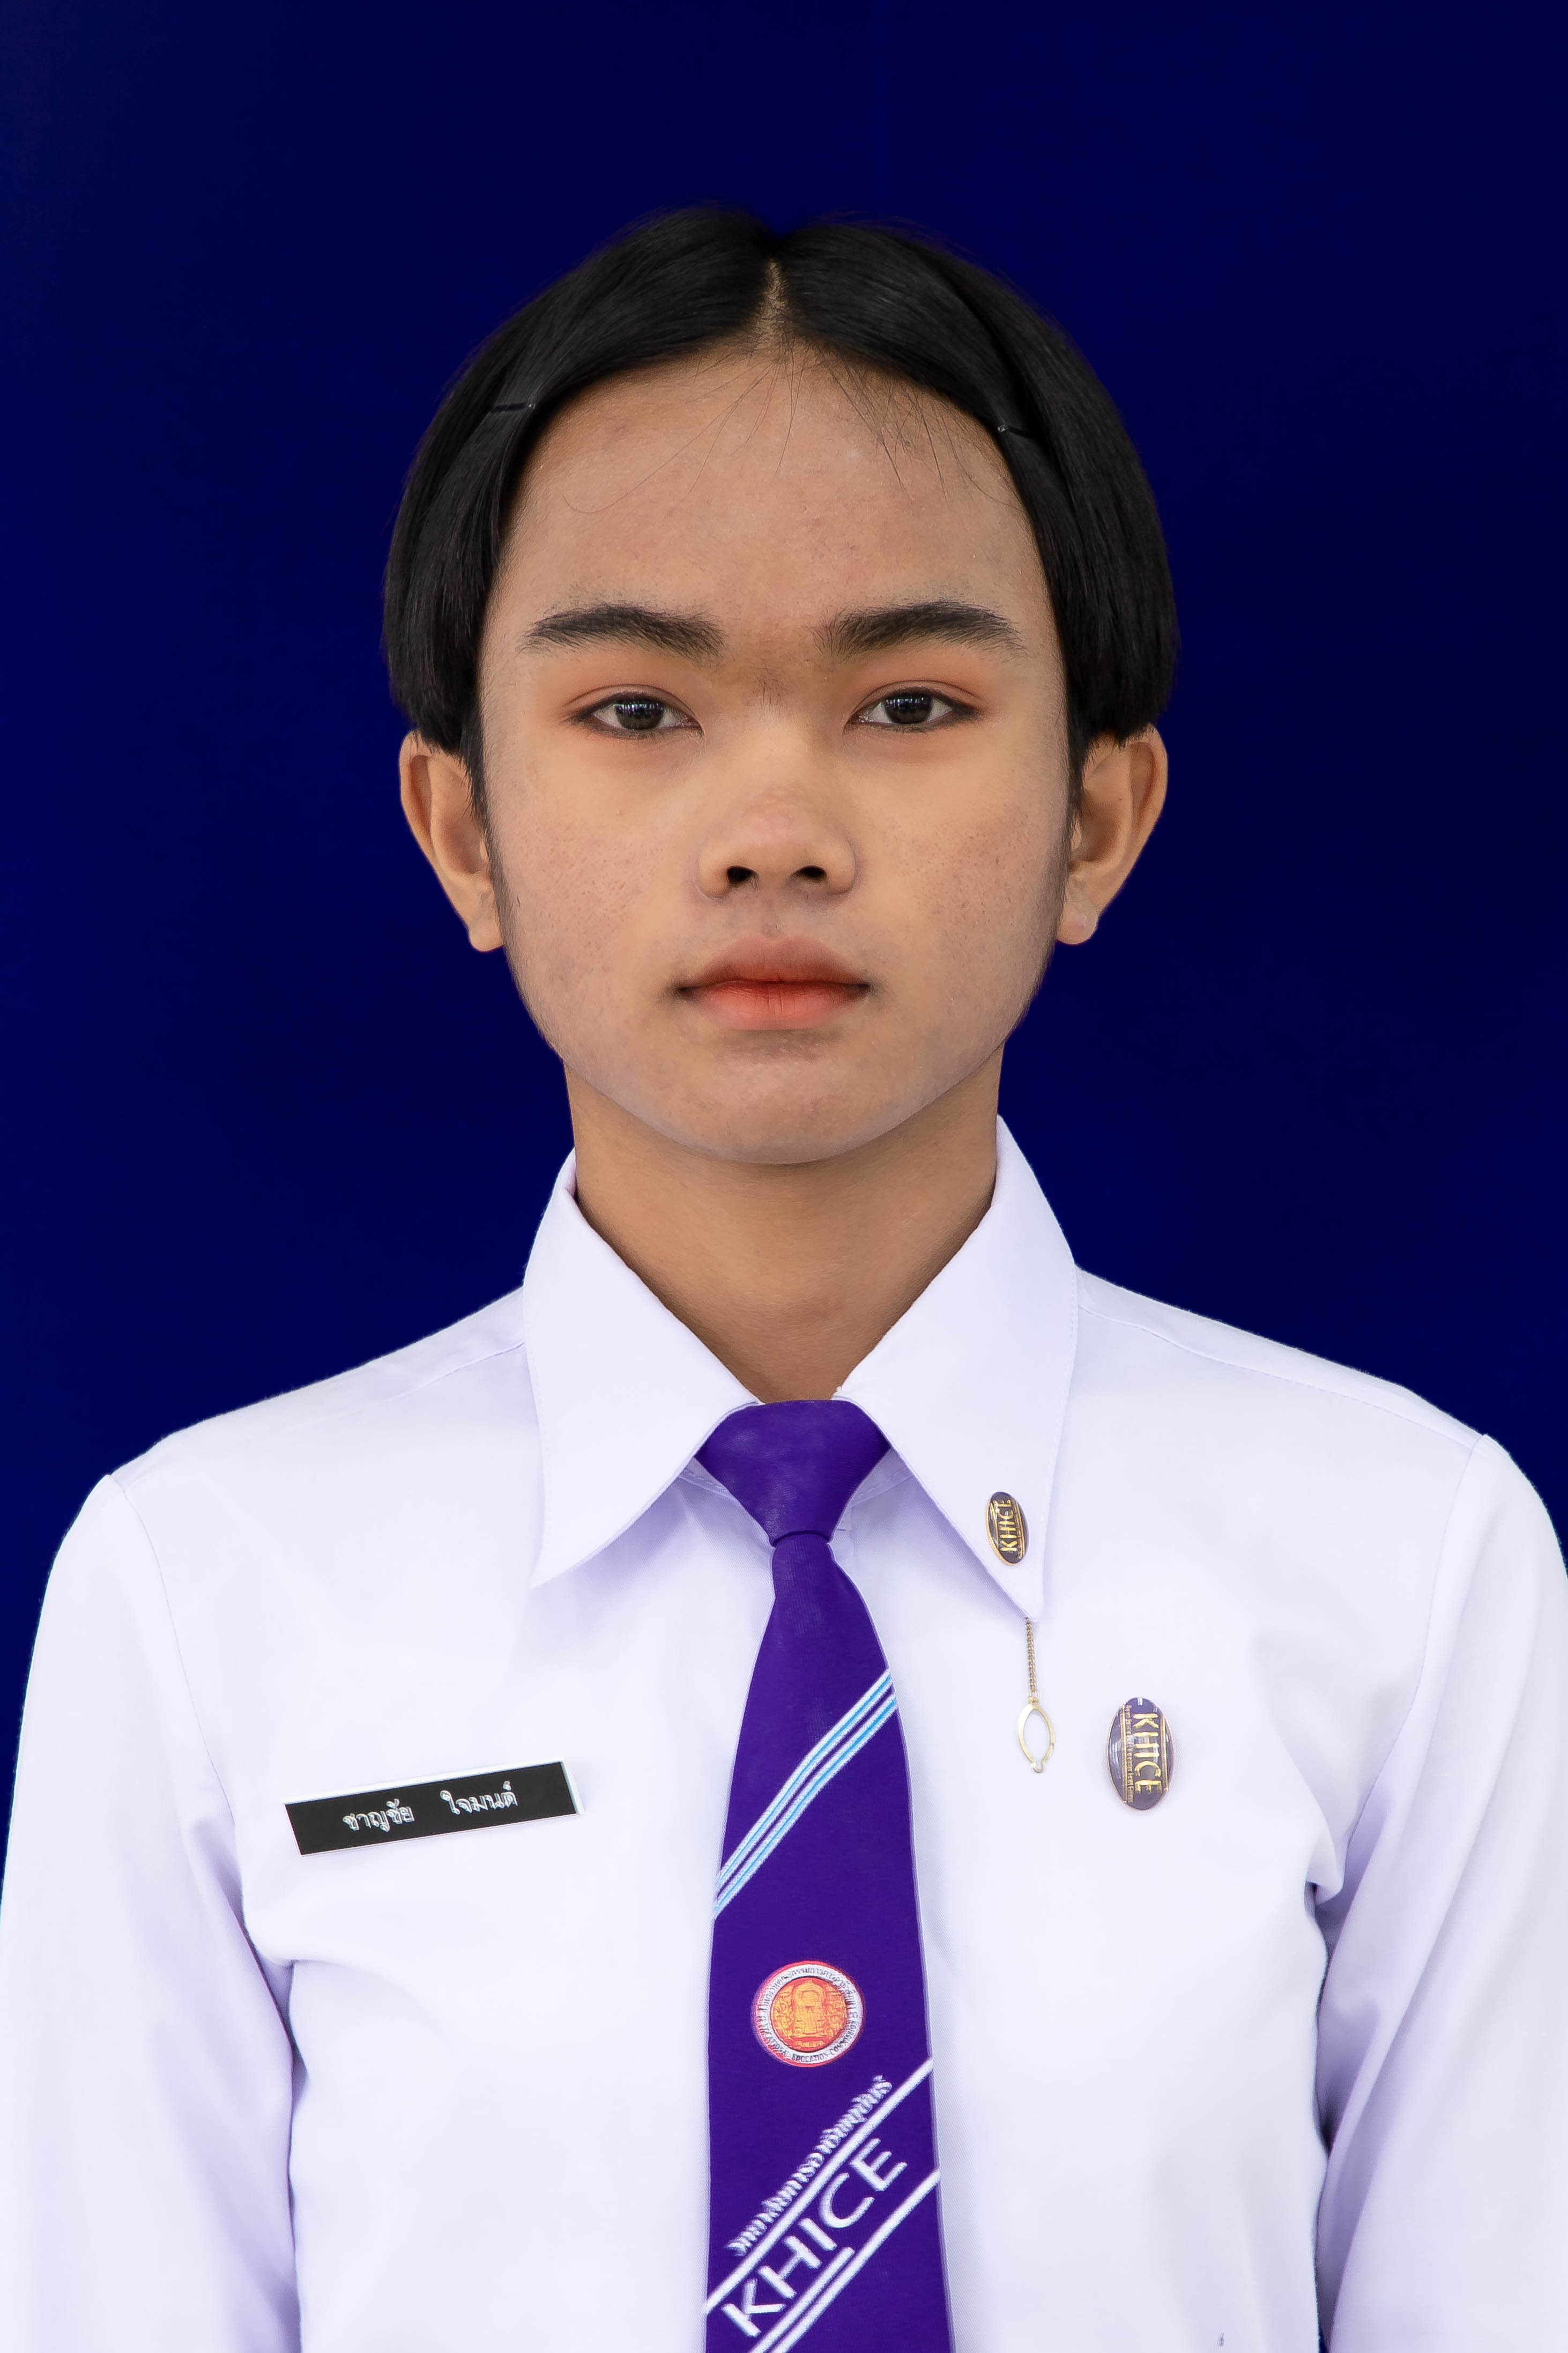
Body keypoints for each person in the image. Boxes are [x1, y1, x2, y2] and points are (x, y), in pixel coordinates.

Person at [1, 209, 1563, 2353]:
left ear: (1098, 818)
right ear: (463, 829)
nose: (774, 826)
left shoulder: (1411, 1564)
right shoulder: (203, 1592)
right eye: (636, 705)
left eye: (908, 701)